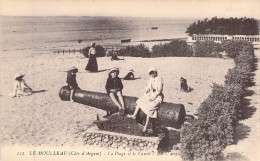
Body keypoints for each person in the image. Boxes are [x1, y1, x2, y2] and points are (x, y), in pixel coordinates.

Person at [128, 67, 164, 133]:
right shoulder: (151, 79)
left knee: (150, 108)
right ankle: (134, 115)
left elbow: (159, 90)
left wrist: (154, 96)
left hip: (157, 96)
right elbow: (148, 86)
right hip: (150, 94)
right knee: (140, 101)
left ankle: (146, 126)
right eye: (151, 73)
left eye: (153, 73)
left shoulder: (159, 79)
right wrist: (147, 89)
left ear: (156, 73)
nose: (152, 75)